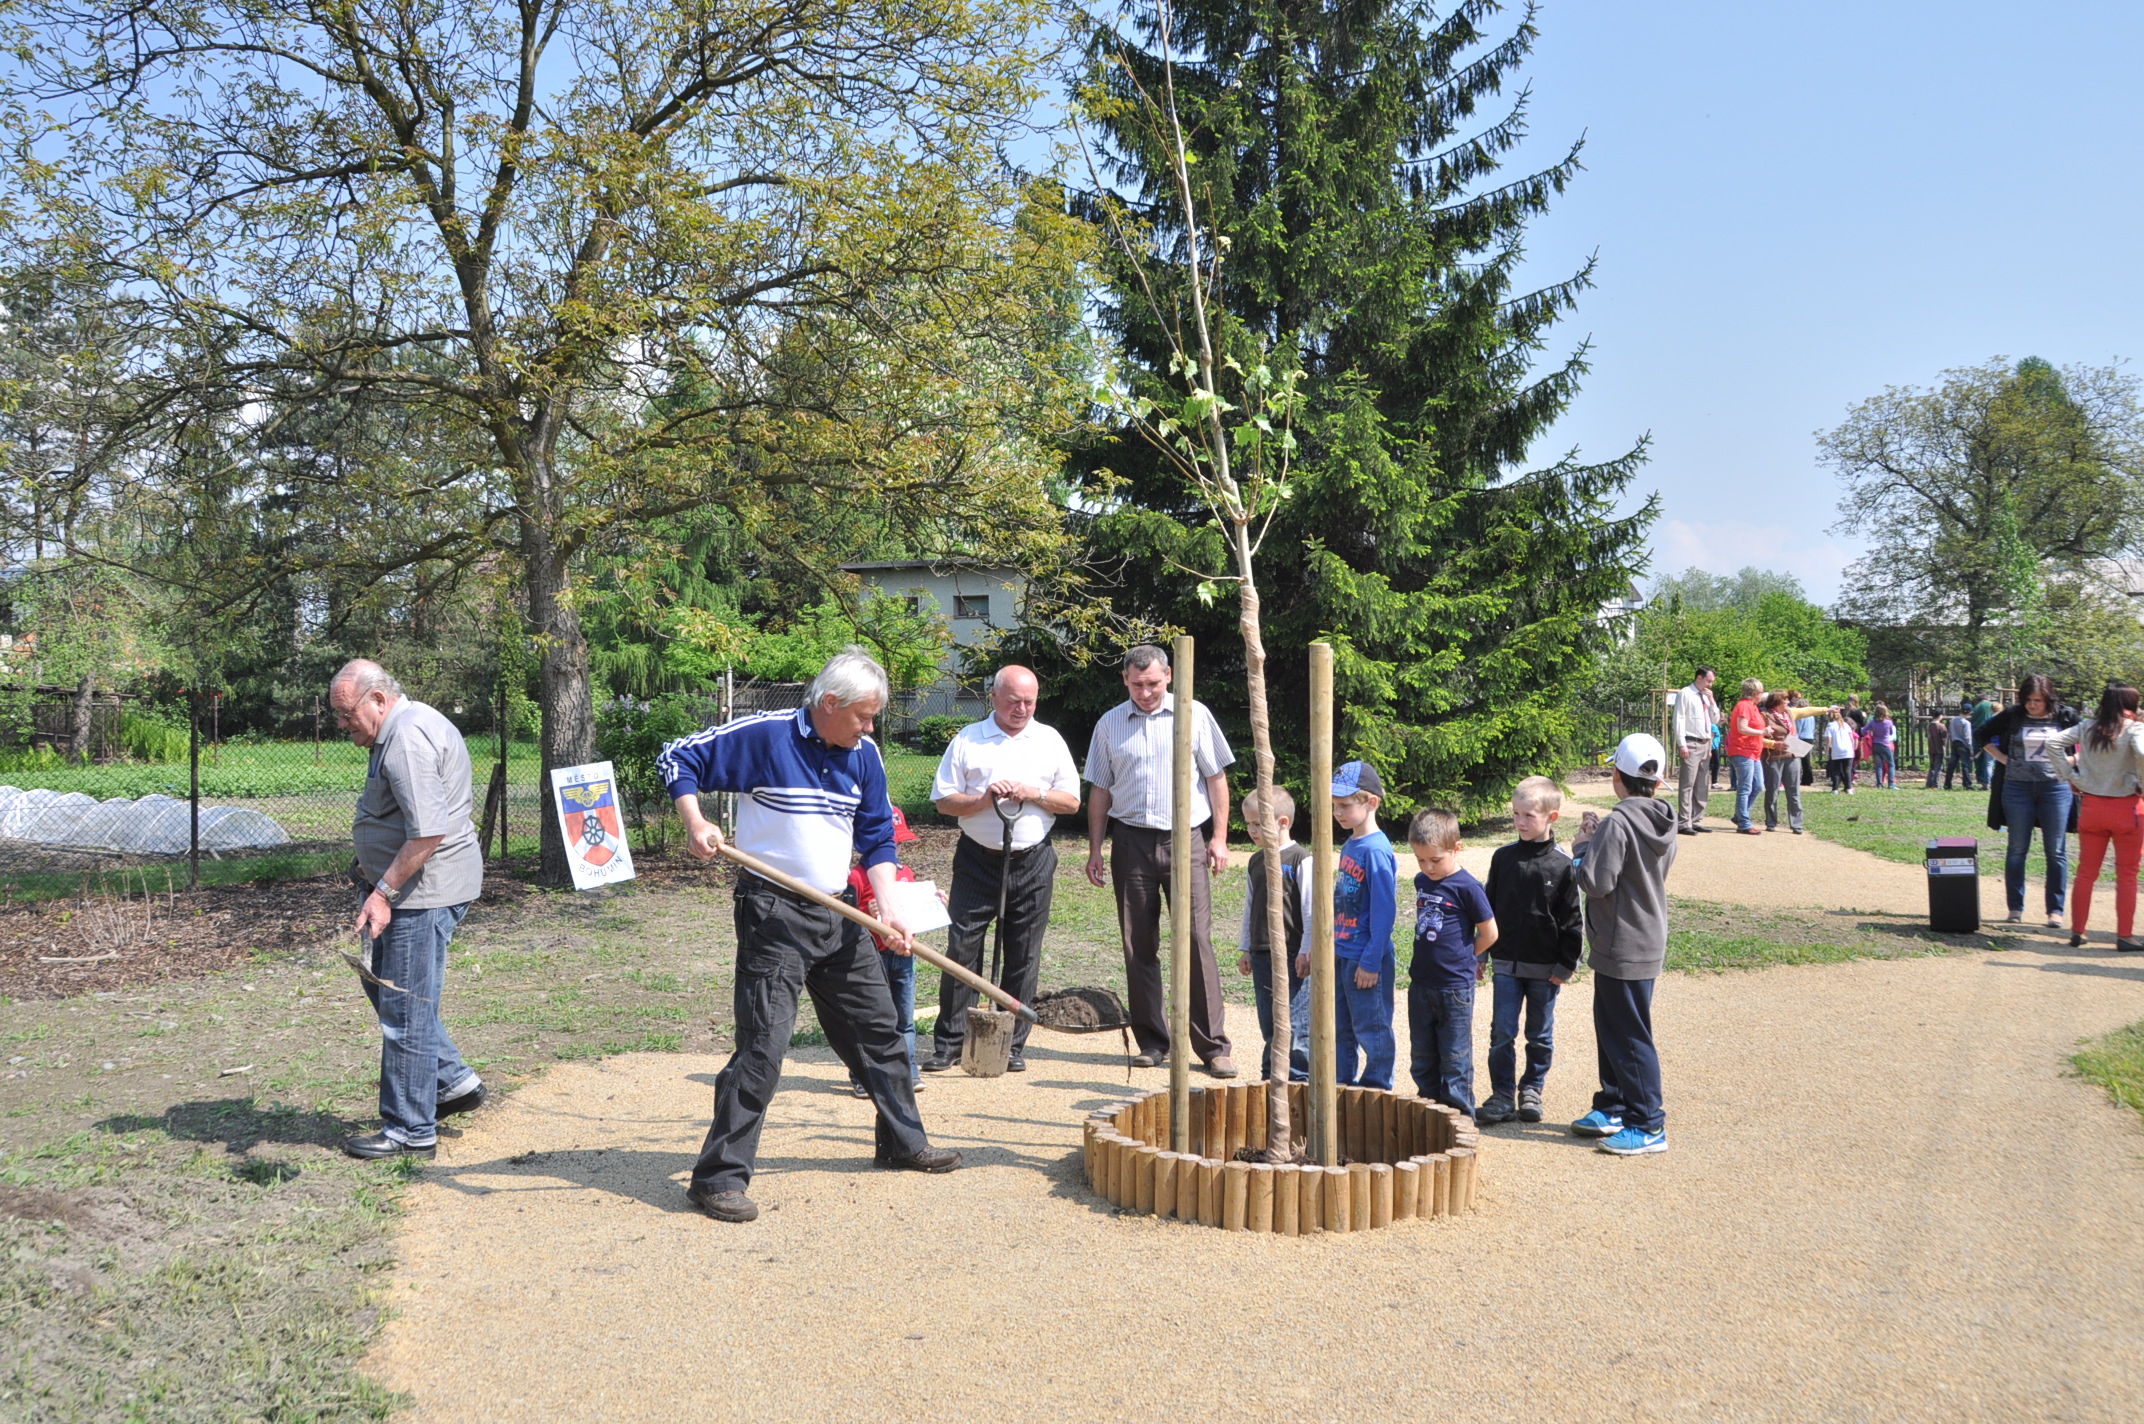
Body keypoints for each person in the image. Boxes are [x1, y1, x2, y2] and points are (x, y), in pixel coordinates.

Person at [659, 648, 958, 1224]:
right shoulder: (765, 737)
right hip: (772, 912)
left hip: (840, 913)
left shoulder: (864, 756)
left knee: (879, 1031)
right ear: (829, 704)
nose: (870, 728)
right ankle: (717, 1179)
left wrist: (890, 910)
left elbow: (877, 840)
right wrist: (696, 821)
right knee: (764, 1047)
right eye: (864, 716)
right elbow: (678, 757)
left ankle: (901, 1142)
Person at [332, 659, 487, 1161]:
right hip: (413, 889)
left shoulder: (406, 739)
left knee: (404, 1007)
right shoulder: (399, 729)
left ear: (377, 700)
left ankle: (410, 1130)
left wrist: (383, 892)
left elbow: (426, 831)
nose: (342, 725)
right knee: (391, 990)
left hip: (421, 895)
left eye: (346, 713)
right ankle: (453, 1083)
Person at [1083, 645, 1237, 1076]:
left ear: (1168, 676)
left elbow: (1216, 778)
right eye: (1137, 684)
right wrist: (1096, 849)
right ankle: (1152, 1040)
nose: (1146, 692)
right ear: (1125, 681)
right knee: (1139, 944)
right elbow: (1099, 790)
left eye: (1153, 683)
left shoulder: (1194, 714)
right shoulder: (1110, 724)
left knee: (1196, 939)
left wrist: (1220, 838)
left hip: (1185, 838)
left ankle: (1212, 1047)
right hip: (1130, 841)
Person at [922, 665, 1081, 1075]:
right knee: (962, 949)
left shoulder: (1048, 740)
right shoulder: (968, 740)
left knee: (1023, 952)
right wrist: (981, 799)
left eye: (1029, 701)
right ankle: (951, 1042)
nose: (1022, 709)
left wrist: (1035, 793)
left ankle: (1010, 1043)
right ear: (992, 697)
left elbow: (1071, 802)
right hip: (977, 858)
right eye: (1013, 701)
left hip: (1032, 859)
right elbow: (943, 802)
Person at [1569, 733, 1678, 1156]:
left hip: (1622, 941)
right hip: (1645, 936)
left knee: (1629, 1035)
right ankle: (1614, 1104)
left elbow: (1595, 882)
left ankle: (1648, 1124)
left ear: (1617, 775)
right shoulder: (1662, 817)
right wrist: (1600, 845)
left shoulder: (1618, 821)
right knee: (1612, 1027)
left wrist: (1582, 849)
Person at [1476, 776, 1582, 1127]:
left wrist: (1566, 964)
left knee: (1539, 1034)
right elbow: (1486, 910)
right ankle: (1502, 1094)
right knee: (1502, 1032)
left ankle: (1532, 1088)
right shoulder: (1503, 858)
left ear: (1551, 818)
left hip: (1545, 968)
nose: (1520, 822)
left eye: (1528, 816)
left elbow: (1572, 920)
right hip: (1505, 963)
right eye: (1516, 814)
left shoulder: (1563, 865)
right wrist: (1480, 954)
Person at [1406, 807, 1497, 1115]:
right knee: (1422, 1058)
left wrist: (1466, 957)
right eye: (1420, 859)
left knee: (1455, 1060)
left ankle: (1461, 1126)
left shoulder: (1467, 886)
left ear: (1456, 848)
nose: (1427, 867)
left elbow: (1490, 932)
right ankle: (1430, 1120)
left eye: (1435, 860)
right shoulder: (1422, 881)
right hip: (1421, 983)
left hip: (1455, 988)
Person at [1978, 673, 2077, 928]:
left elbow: (2090, 741)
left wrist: (2073, 761)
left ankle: (2055, 911)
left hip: (2054, 789)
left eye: (2038, 700)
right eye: (2029, 699)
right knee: (2017, 849)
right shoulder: (2013, 715)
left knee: (2055, 851)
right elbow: (1982, 733)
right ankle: (2015, 908)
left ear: (2048, 699)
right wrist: (2001, 758)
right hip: (2017, 789)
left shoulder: (2065, 716)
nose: (2033, 705)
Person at [2051, 683, 2144, 951]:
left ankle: (2078, 931)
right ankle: (2124, 936)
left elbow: (2053, 742)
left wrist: (2069, 776)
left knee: (2086, 873)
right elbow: (2142, 752)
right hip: (2128, 809)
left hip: (2091, 807)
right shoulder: (2135, 728)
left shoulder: (2088, 727)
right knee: (2127, 875)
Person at [843, 806, 927, 1098]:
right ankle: (862, 1074)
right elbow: (846, 918)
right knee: (870, 1017)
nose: (895, 848)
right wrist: (867, 911)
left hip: (904, 954)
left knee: (904, 1018)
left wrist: (934, 902)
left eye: (898, 842)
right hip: (870, 956)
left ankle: (908, 1070)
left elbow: (915, 909)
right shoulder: (856, 875)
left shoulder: (907, 873)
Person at [1330, 761, 1398, 1090]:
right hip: (1343, 951)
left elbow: (1385, 912)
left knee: (1372, 1027)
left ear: (1371, 803)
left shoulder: (1377, 850)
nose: (1338, 812)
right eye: (1334, 806)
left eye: (1344, 805)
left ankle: (1376, 1089)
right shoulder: (1351, 843)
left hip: (1365, 959)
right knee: (1341, 1027)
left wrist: (1371, 960)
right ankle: (1341, 1085)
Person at [1238, 785, 1312, 1082]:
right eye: (1249, 825)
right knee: (1269, 1022)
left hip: (1294, 954)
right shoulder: (1256, 861)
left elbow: (1310, 910)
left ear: (1283, 822)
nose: (1252, 830)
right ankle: (1270, 1080)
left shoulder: (1300, 859)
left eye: (1258, 824)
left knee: (1294, 1023)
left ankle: (1297, 1080)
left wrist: (1307, 950)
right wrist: (1246, 949)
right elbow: (1249, 907)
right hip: (1262, 952)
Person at [1671, 666, 1718, 835]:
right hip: (1691, 742)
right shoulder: (1685, 693)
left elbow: (1715, 720)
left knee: (1702, 783)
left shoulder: (1705, 697)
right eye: (1708, 681)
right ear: (1699, 678)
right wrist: (1681, 743)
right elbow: (1679, 719)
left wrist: (1712, 702)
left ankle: (1697, 819)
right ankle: (1684, 821)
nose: (1710, 685)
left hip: (1705, 743)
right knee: (1688, 783)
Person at [1724, 677, 1768, 834]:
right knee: (1746, 787)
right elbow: (1742, 728)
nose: (1763, 695)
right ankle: (1744, 822)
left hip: (1753, 752)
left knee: (1757, 786)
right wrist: (1762, 732)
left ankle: (1740, 815)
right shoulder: (1744, 706)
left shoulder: (1753, 707)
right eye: (1761, 692)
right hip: (1742, 751)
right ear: (1755, 692)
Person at [1760, 691, 1803, 833]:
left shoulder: (1789, 713)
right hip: (1773, 757)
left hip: (1792, 755)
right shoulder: (1765, 715)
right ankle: (1771, 822)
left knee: (1794, 791)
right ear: (1777, 701)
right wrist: (1774, 744)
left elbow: (1807, 711)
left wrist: (1827, 709)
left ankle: (1797, 824)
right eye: (1785, 700)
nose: (1788, 702)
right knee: (1772, 791)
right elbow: (1758, 738)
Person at [1823, 708, 1857, 793]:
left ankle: (1835, 789)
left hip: (1837, 749)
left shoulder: (1830, 726)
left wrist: (1827, 751)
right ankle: (1849, 788)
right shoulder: (1846, 724)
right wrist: (1852, 748)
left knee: (1836, 770)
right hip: (1847, 749)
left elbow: (1829, 740)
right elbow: (1852, 738)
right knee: (1847, 770)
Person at [1943, 705, 1975, 790]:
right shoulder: (1966, 723)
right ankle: (1967, 784)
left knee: (1952, 764)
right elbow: (1967, 737)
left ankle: (1947, 784)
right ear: (1969, 712)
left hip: (1954, 743)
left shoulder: (1953, 720)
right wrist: (1970, 747)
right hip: (1963, 744)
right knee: (1965, 764)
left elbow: (1950, 732)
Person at [1868, 702, 1898, 789]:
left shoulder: (1872, 722)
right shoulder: (1889, 722)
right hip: (1885, 745)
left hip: (1876, 745)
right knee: (1891, 764)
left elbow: (1864, 730)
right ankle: (1891, 784)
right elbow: (1891, 733)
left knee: (1879, 765)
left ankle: (1879, 784)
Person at [1972, 693, 1999, 788]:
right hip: (1988, 733)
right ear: (1988, 698)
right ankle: (1988, 779)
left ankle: (1979, 777)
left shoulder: (1975, 707)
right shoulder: (1991, 705)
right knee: (1990, 759)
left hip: (1976, 732)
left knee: (1978, 756)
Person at [1925, 710, 1950, 789]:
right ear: (1940, 716)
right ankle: (1936, 784)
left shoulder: (1929, 725)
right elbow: (1944, 738)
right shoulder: (1941, 726)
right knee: (1938, 768)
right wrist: (1944, 746)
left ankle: (1929, 783)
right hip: (1939, 749)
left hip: (1931, 748)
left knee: (1932, 767)